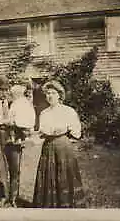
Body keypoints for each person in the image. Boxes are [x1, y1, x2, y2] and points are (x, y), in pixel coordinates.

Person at [32, 80, 86, 208]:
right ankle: (49, 204)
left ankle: (67, 204)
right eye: (48, 93)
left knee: (65, 174)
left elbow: (76, 131)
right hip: (48, 147)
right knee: (48, 175)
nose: (50, 96)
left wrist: (66, 138)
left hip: (63, 147)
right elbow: (42, 131)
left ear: (59, 95)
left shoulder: (68, 111)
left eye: (53, 93)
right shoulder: (44, 113)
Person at [0, 76, 34, 207]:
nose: (3, 93)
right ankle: (4, 196)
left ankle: (14, 198)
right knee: (1, 168)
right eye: (0, 90)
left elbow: (25, 115)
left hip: (14, 138)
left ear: (9, 91)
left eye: (6, 90)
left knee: (15, 169)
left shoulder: (15, 103)